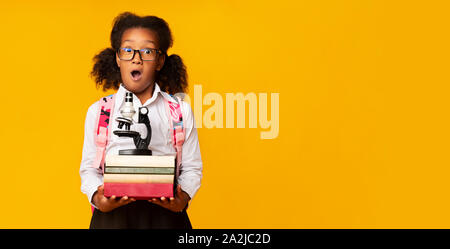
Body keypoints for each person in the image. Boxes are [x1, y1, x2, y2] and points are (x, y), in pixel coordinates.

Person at [79, 12, 203, 229]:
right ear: (117, 58)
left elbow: (192, 167)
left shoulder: (179, 111)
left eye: (147, 51)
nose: (136, 58)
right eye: (128, 50)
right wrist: (97, 198)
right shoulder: (99, 111)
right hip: (112, 219)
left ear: (160, 60)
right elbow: (89, 169)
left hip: (166, 219)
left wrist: (182, 199)